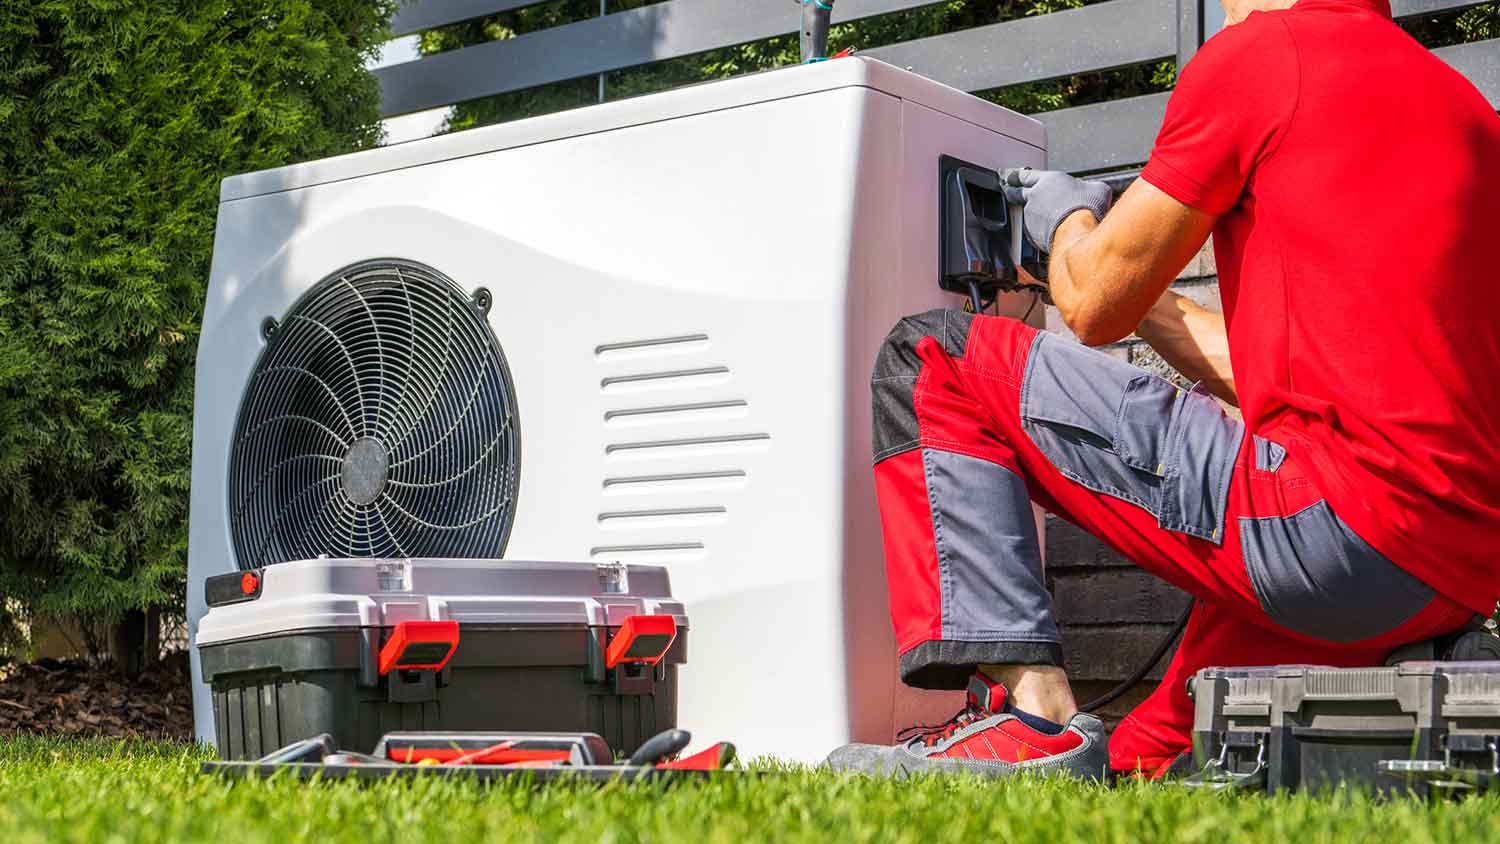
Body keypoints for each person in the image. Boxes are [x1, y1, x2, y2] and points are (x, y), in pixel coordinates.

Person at [827, 0, 1500, 779]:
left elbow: (1088, 304)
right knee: (1147, 759)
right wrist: (1124, 270)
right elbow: (1310, 368)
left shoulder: (1263, 56)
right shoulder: (1465, 110)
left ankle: (1031, 719)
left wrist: (1068, 221)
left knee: (933, 358)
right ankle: (1426, 658)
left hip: (1326, 530)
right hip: (1445, 573)